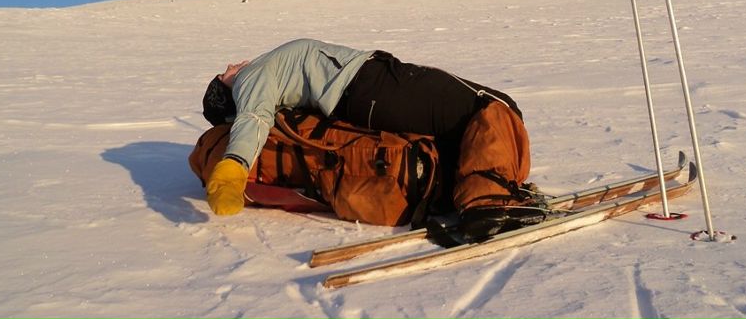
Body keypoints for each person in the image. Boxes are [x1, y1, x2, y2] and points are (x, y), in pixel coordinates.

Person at [201, 38, 541, 234]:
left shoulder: (261, 75)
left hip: (365, 90)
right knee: (490, 106)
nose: (232, 64)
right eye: (225, 73)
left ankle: (487, 184)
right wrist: (234, 166)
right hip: (368, 85)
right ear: (225, 91)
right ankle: (487, 202)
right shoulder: (251, 79)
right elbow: (253, 117)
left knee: (466, 120)